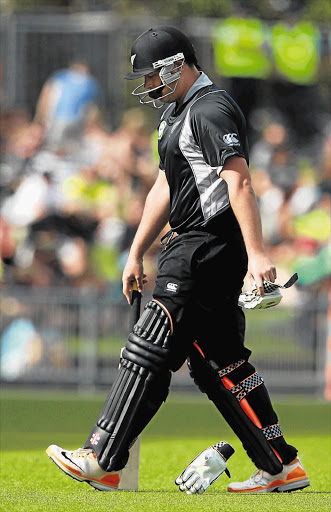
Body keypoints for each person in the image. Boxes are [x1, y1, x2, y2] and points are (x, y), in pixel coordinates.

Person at [46, 26, 309, 494]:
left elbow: (239, 182)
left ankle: (102, 457)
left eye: (152, 77)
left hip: (203, 246)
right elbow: (165, 188)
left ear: (177, 65)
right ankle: (280, 464)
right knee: (221, 365)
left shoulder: (210, 109)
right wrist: (134, 252)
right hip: (195, 245)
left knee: (150, 345)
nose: (148, 87)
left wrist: (259, 255)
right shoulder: (176, 115)